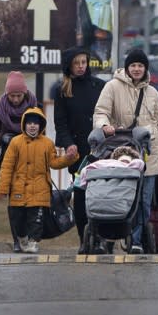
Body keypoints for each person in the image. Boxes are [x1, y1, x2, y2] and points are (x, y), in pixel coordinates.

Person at [93, 48, 158, 254]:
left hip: (147, 154)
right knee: (119, 197)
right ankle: (111, 236)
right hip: (121, 153)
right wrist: (104, 125)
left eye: (140, 66)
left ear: (145, 69)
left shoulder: (153, 93)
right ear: (127, 68)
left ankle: (136, 240)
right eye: (133, 65)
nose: (136, 69)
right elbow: (101, 112)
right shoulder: (112, 87)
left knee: (143, 201)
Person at [0, 107, 78, 253]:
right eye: (29, 123)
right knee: (18, 219)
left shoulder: (47, 143)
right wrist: (3, 188)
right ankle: (22, 238)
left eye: (36, 123)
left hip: (40, 189)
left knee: (37, 220)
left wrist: (69, 158)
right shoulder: (15, 143)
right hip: (18, 189)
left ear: (41, 125)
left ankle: (33, 241)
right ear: (24, 124)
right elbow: (7, 166)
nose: (32, 126)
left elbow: (54, 162)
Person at [53, 47, 105, 253]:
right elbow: (61, 123)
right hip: (78, 153)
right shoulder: (63, 90)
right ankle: (84, 239)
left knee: (101, 194)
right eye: (77, 63)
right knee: (81, 196)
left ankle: (101, 239)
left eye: (84, 62)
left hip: (99, 149)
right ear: (69, 65)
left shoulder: (99, 86)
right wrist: (68, 144)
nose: (81, 67)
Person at [0, 71, 38, 252]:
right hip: (9, 162)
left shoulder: (33, 108)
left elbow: (42, 132)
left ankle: (30, 239)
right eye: (12, 95)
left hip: (32, 161)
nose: (15, 99)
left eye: (19, 95)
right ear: (6, 94)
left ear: (25, 93)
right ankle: (17, 239)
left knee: (32, 204)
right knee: (15, 205)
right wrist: (4, 137)